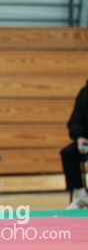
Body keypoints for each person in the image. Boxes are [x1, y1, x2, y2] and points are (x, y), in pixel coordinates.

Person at [61, 80, 88, 209]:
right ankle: (81, 196)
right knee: (68, 153)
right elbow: (75, 122)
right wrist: (79, 137)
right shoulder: (85, 93)